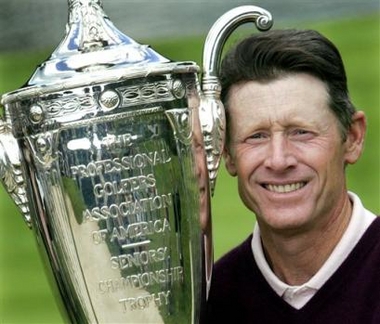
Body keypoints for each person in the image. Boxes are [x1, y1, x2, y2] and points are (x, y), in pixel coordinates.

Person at [206, 29, 380, 323]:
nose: (278, 159)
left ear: (352, 138)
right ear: (226, 154)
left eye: (301, 132)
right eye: (256, 136)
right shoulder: (212, 300)